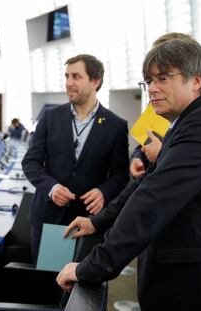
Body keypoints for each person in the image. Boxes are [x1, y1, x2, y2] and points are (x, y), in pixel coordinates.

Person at [56, 39, 201, 310]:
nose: (152, 89)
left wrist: (92, 266)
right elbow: (147, 184)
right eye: (149, 81)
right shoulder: (185, 122)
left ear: (196, 81)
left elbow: (153, 200)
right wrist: (98, 222)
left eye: (163, 78)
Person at [22, 54, 130, 262]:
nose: (69, 83)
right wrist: (52, 188)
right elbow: (31, 162)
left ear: (95, 81)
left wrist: (103, 191)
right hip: (50, 217)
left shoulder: (115, 125)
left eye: (76, 77)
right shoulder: (50, 117)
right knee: (48, 281)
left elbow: (120, 176)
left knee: (80, 288)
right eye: (67, 76)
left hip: (87, 221)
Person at [131, 32, 201, 178]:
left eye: (163, 76)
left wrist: (162, 154)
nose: (154, 86)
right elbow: (147, 136)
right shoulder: (159, 95)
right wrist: (137, 158)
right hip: (153, 175)